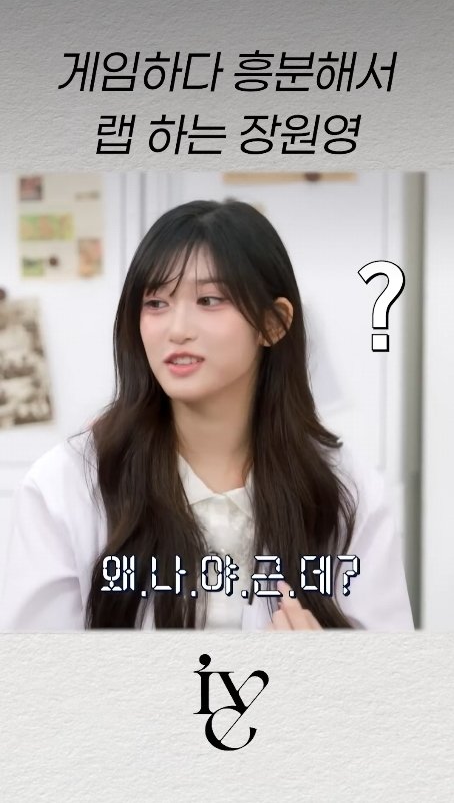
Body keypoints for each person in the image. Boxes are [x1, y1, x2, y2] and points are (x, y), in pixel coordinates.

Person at [0, 199, 414, 631]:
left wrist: (321, 670)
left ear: (273, 323)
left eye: (209, 300)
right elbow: (36, 672)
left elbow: (387, 669)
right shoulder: (67, 487)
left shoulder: (347, 489)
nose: (177, 329)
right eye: (156, 302)